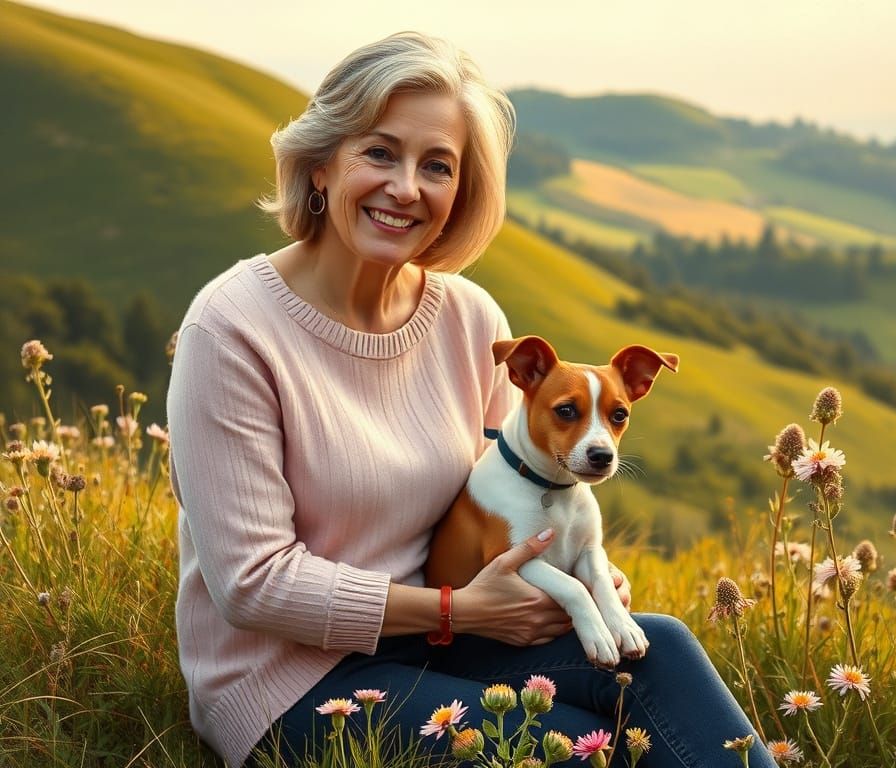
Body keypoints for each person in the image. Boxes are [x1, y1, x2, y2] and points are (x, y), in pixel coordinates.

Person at [167, 32, 774, 768]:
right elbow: (252, 586)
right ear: (321, 163)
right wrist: (458, 610)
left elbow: (521, 492)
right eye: (380, 153)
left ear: (460, 193)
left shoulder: (470, 320)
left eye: (437, 166)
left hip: (447, 650)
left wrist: (579, 570)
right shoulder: (230, 328)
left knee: (661, 657)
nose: (406, 188)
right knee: (573, 754)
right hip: (294, 685)